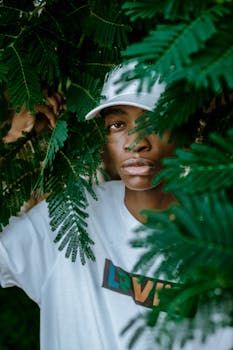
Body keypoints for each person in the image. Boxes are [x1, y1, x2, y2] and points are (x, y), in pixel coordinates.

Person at [0, 64, 232, 350]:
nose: (136, 143)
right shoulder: (69, 216)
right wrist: (13, 141)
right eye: (118, 125)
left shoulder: (220, 241)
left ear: (187, 132)